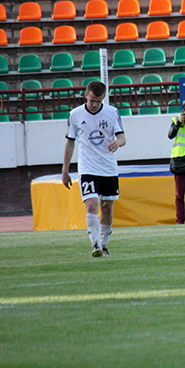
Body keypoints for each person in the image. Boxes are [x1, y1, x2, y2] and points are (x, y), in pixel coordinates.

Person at [61, 81, 126, 257]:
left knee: (107, 206)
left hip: (108, 167)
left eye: (98, 101)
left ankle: (104, 244)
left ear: (103, 98)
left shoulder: (112, 112)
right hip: (88, 167)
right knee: (91, 204)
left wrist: (117, 143)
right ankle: (95, 244)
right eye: (92, 101)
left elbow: (122, 137)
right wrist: (65, 170)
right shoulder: (75, 115)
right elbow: (70, 143)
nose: (95, 104)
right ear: (85, 96)